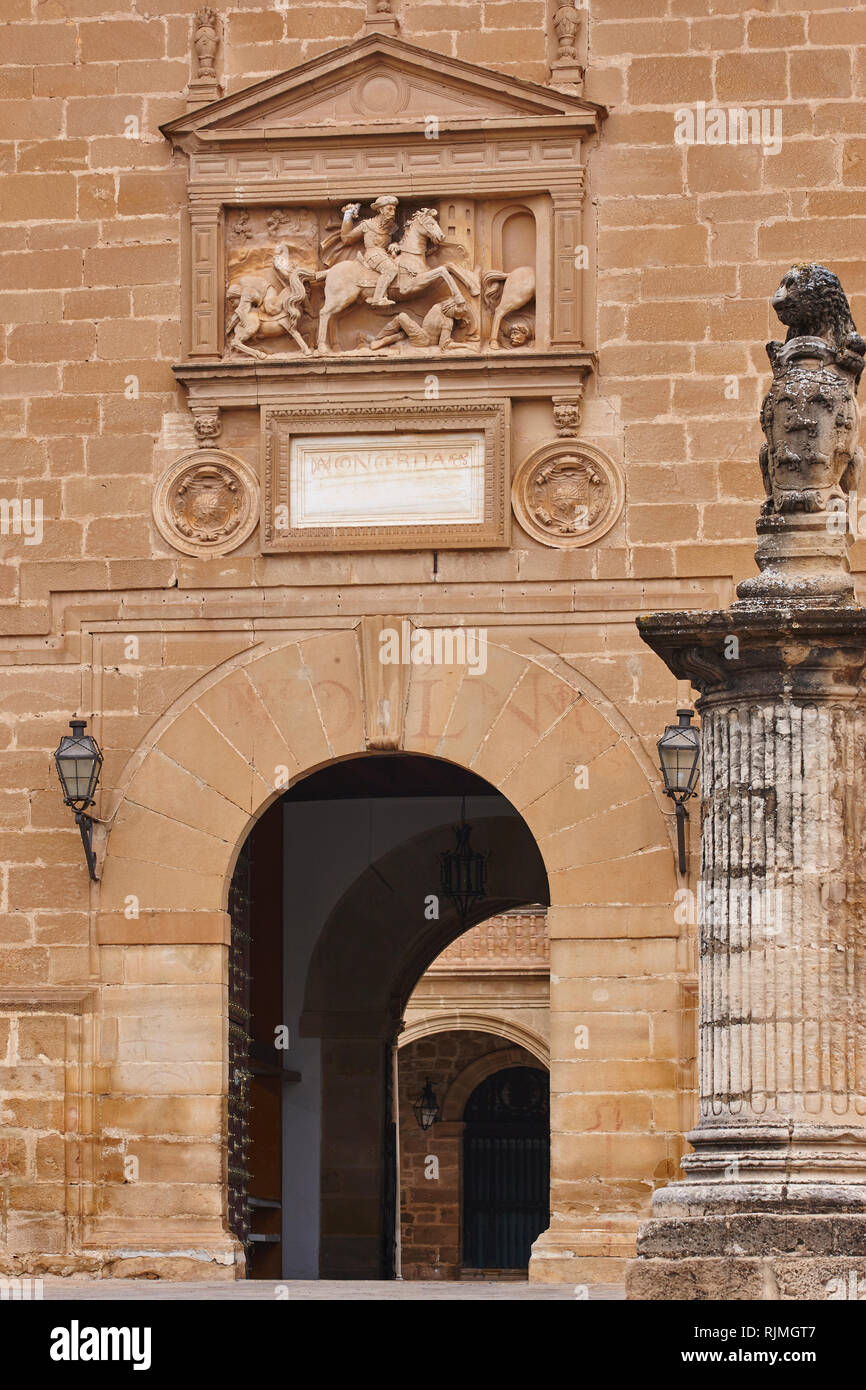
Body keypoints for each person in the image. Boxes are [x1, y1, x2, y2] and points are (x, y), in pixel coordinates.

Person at [339, 195, 400, 307]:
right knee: (391, 269)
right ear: (381, 210)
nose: (393, 213)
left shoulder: (392, 227)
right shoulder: (367, 225)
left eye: (394, 209)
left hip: (386, 255)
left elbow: (400, 241)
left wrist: (395, 244)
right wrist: (348, 215)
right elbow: (346, 239)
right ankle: (377, 299)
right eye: (389, 209)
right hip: (373, 254)